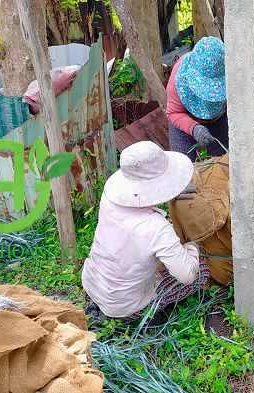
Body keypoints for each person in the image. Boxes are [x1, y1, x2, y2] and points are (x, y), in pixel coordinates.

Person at [81, 141, 210, 320]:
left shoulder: (109, 198)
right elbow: (186, 275)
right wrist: (192, 248)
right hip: (127, 306)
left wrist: (170, 192)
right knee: (201, 271)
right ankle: (148, 315)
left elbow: (138, 198)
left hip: (94, 284)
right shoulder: (156, 228)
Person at [167, 36, 228, 162]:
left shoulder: (233, 74)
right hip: (184, 118)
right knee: (183, 164)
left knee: (222, 162)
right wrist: (194, 128)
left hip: (219, 118)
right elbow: (174, 112)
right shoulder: (178, 79)